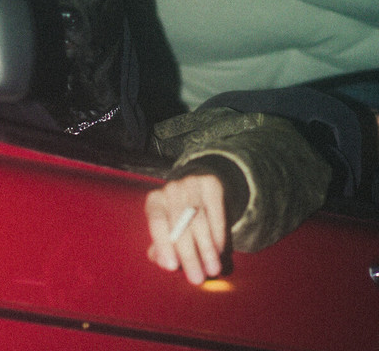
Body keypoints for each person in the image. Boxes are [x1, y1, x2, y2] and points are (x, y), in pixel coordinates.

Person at [143, 87, 379, 285]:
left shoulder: (155, 141)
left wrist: (224, 175)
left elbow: (285, 143)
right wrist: (230, 183)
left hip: (344, 126)